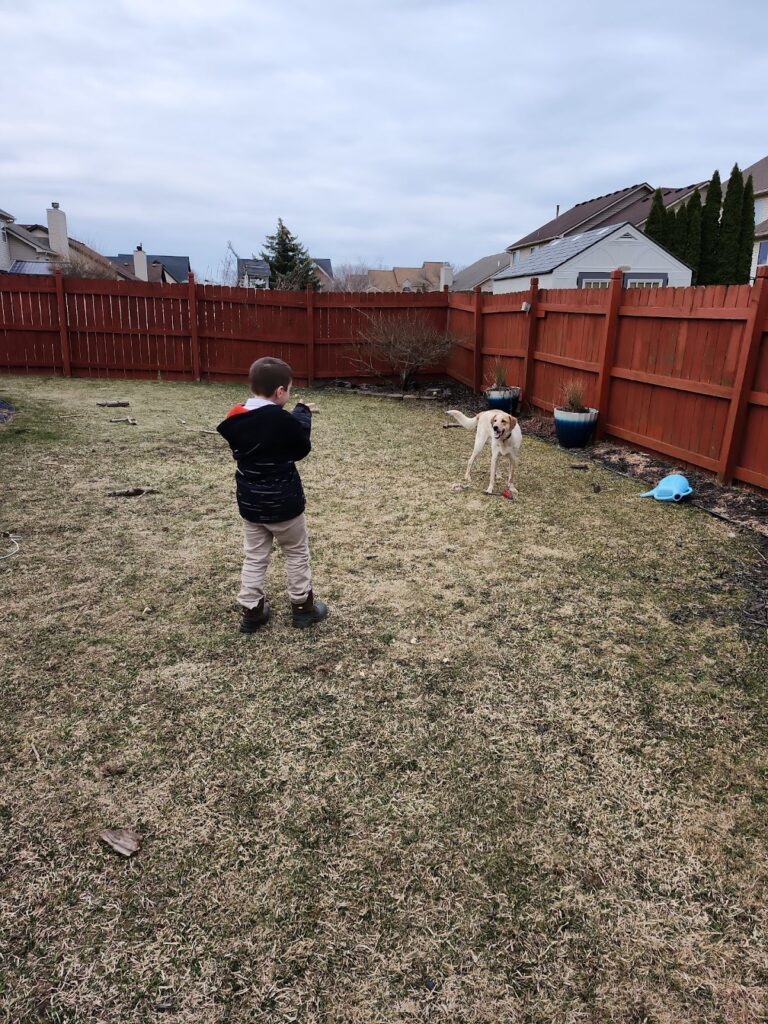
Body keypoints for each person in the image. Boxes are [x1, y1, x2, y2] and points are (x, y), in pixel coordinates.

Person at [217, 356, 328, 632]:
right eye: (288, 390)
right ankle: (303, 608)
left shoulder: (235, 417)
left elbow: (269, 428)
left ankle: (252, 611)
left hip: (251, 505)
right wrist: (303, 411)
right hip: (285, 506)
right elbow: (300, 446)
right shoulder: (280, 419)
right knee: (296, 552)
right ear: (280, 392)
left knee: (255, 555)